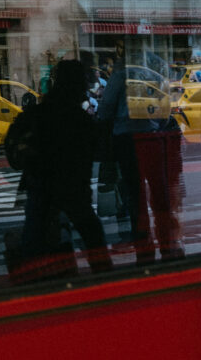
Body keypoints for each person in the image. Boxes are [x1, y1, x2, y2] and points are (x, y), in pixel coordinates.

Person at [12, 59, 112, 277]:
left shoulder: (39, 113)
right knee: (91, 234)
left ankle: (34, 284)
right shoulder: (78, 119)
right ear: (77, 84)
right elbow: (99, 149)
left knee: (35, 239)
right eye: (84, 81)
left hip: (41, 187)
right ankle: (105, 278)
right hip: (72, 188)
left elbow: (13, 145)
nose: (87, 87)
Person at [98, 46, 184, 263]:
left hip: (127, 141)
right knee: (159, 193)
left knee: (135, 197)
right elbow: (165, 112)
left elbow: (106, 110)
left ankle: (144, 251)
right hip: (153, 138)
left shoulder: (120, 76)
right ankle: (168, 245)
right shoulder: (156, 77)